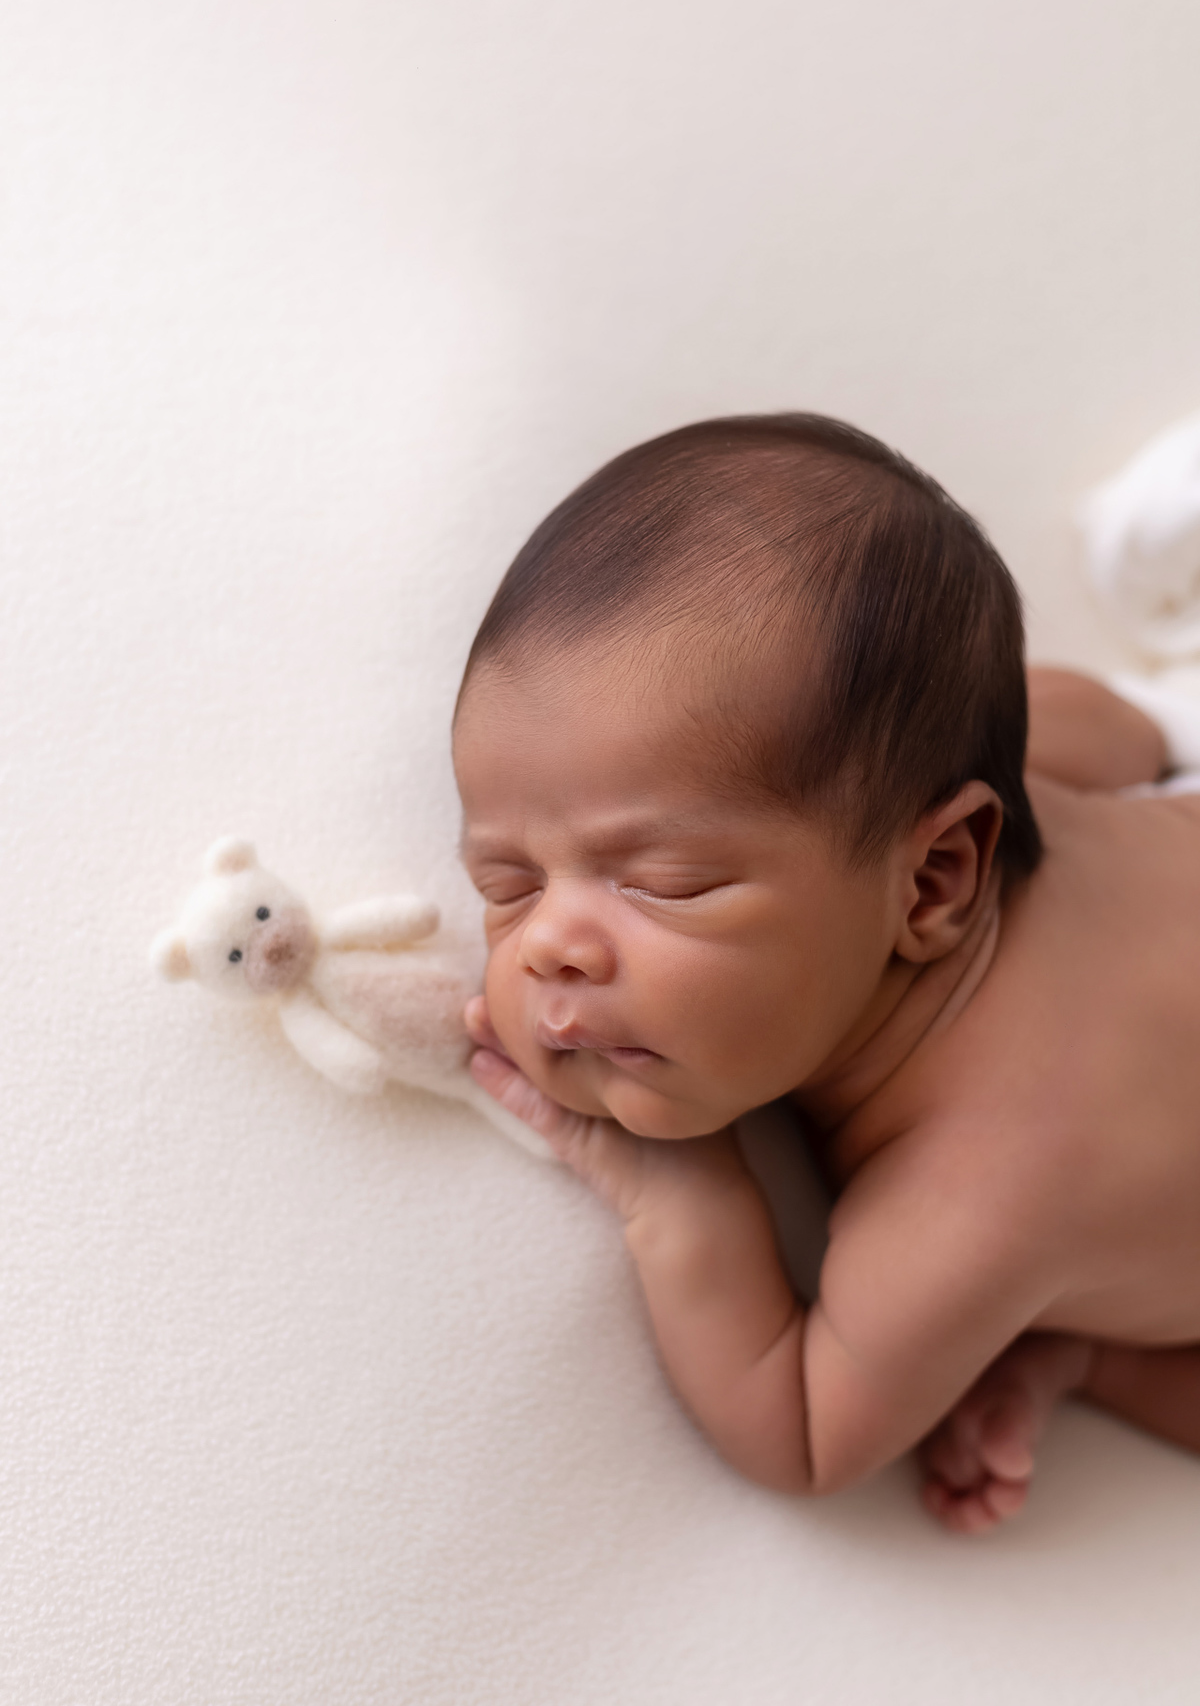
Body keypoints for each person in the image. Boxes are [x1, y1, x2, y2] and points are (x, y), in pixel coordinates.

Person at [451, 413, 1200, 1533]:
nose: (549, 944)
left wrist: (680, 1194)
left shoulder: (974, 1196)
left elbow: (802, 1434)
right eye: (506, 882)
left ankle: (1089, 1356)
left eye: (662, 882)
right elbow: (1128, 735)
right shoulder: (1031, 759)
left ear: (936, 878)